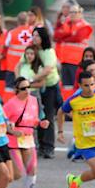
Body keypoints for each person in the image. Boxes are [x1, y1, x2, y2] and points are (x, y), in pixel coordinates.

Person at [2, 76, 44, 188]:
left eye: (28, 87)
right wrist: (13, 131)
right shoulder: (11, 104)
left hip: (28, 140)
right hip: (14, 141)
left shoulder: (33, 101)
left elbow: (34, 119)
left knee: (32, 169)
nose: (27, 91)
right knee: (18, 173)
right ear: (16, 90)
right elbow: (2, 122)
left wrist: (41, 123)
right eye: (23, 88)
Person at [29, 27, 61, 159]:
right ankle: (40, 145)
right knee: (38, 116)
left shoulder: (48, 52)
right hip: (36, 88)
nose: (34, 38)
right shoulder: (33, 50)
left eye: (37, 36)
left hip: (49, 87)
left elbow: (47, 70)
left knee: (48, 116)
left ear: (43, 38)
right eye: (33, 35)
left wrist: (30, 80)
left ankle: (49, 147)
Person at [52, 4, 93, 88]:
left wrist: (63, 37)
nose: (73, 14)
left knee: (75, 85)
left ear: (80, 13)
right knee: (66, 87)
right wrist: (69, 35)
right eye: (71, 12)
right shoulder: (65, 23)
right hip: (64, 60)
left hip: (76, 62)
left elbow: (77, 38)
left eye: (75, 12)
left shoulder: (85, 25)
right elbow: (56, 36)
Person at [2, 12, 33, 90]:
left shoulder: (12, 33)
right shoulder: (33, 33)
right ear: (28, 21)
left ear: (17, 21)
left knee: (10, 89)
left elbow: (5, 45)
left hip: (12, 67)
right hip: (27, 68)